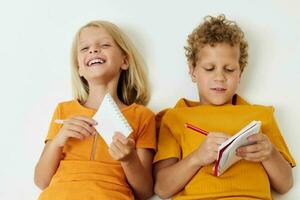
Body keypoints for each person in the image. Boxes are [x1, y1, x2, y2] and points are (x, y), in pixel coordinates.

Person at [153, 14, 295, 200]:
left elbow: (285, 185)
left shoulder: (261, 115)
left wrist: (270, 154)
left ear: (240, 73)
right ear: (193, 70)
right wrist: (197, 158)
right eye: (209, 68)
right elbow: (162, 189)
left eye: (229, 69)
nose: (219, 77)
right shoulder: (174, 117)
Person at [34, 20, 156, 200]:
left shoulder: (142, 116)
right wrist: (58, 140)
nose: (93, 50)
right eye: (84, 48)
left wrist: (129, 160)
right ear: (79, 68)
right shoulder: (63, 110)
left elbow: (144, 192)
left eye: (105, 45)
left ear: (124, 61)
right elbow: (41, 180)